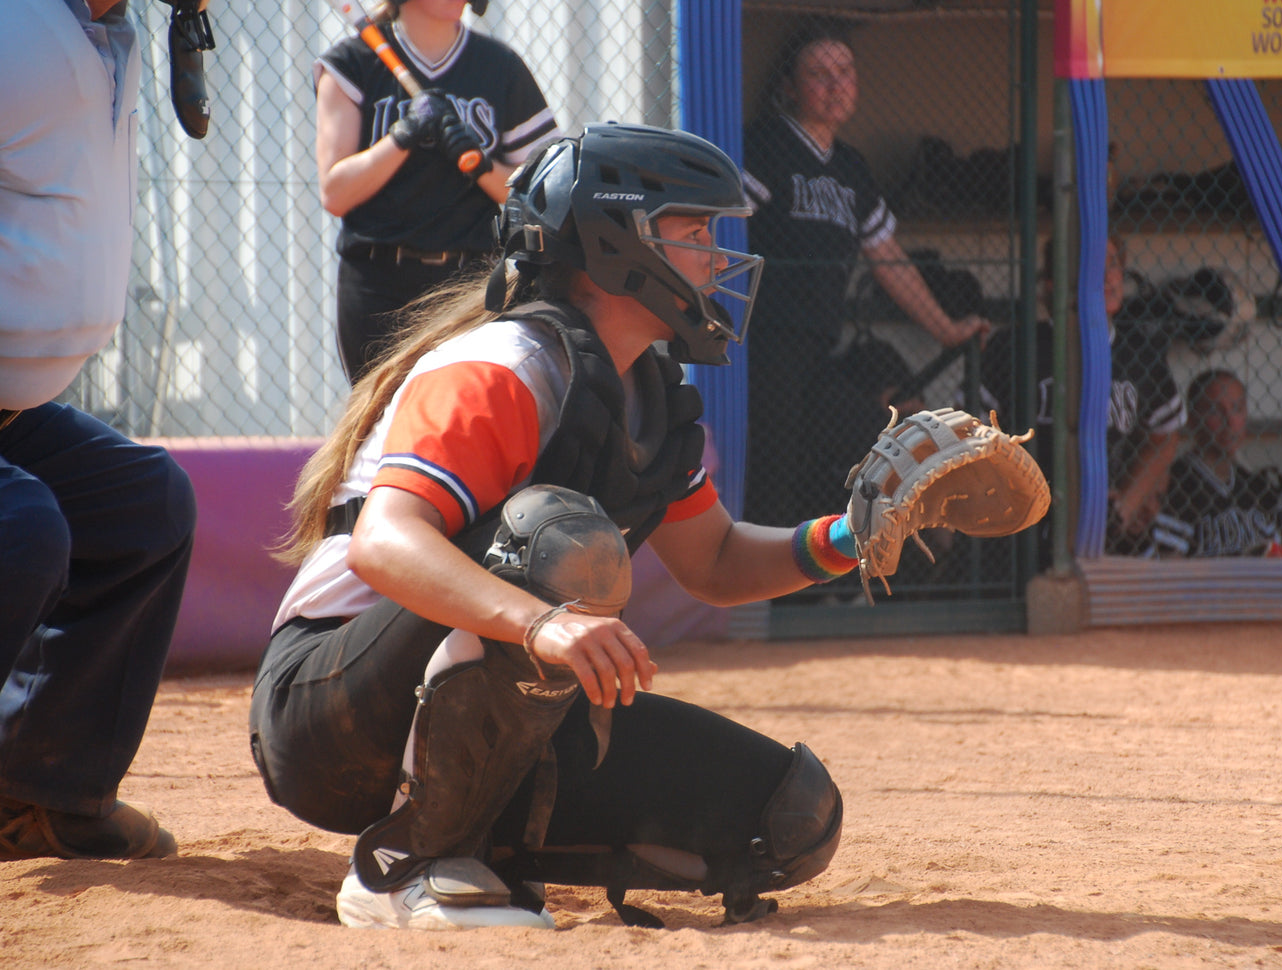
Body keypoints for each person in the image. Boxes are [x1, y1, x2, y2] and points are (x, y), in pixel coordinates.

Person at [249, 123, 847, 932]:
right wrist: (540, 623)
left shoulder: (646, 392)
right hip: (328, 708)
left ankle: (485, 850)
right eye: (697, 231)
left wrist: (854, 536)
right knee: (557, 539)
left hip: (484, 692)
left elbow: (715, 561)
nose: (715, 256)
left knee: (787, 815)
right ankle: (410, 865)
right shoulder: (505, 364)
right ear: (615, 241)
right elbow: (383, 541)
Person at [0, 0, 197, 861]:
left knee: (142, 507)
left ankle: (40, 795)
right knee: (20, 529)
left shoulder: (103, 28)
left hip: (13, 403)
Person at [742, 19, 991, 528]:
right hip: (764, 344)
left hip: (822, 349)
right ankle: (761, 603)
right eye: (818, 73)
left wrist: (946, 328)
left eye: (845, 71)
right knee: (772, 473)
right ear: (789, 87)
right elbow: (718, 233)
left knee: (865, 444)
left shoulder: (851, 168)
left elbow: (888, 256)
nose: (836, 85)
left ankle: (828, 581)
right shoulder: (765, 146)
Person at [316, 0, 559, 381]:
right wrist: (404, 135)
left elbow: (543, 196)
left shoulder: (500, 66)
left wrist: (478, 163)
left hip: (468, 286)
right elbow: (335, 193)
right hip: (378, 283)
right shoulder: (352, 64)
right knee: (378, 427)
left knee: (463, 418)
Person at [980, 234, 1184, 563]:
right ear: (1053, 282)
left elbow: (1165, 434)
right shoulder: (1015, 347)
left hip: (1108, 520)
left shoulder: (1140, 353)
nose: (1106, 277)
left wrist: (1126, 505)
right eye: (1090, 267)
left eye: (1114, 265)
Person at [1161, 369, 1282, 557]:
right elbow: (1169, 565)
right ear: (1193, 420)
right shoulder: (1176, 485)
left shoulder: (1256, 485)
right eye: (1214, 411)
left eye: (1237, 409)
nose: (1230, 421)